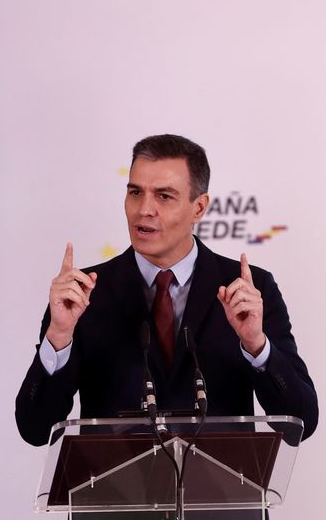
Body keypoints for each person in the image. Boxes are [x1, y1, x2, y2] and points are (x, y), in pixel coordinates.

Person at [16, 134, 318, 450]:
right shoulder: (83, 293)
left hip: (221, 496)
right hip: (114, 496)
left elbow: (301, 422)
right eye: (135, 192)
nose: (144, 209)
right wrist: (58, 337)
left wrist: (256, 345)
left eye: (164, 196)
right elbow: (35, 428)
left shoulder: (248, 289)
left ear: (199, 208)